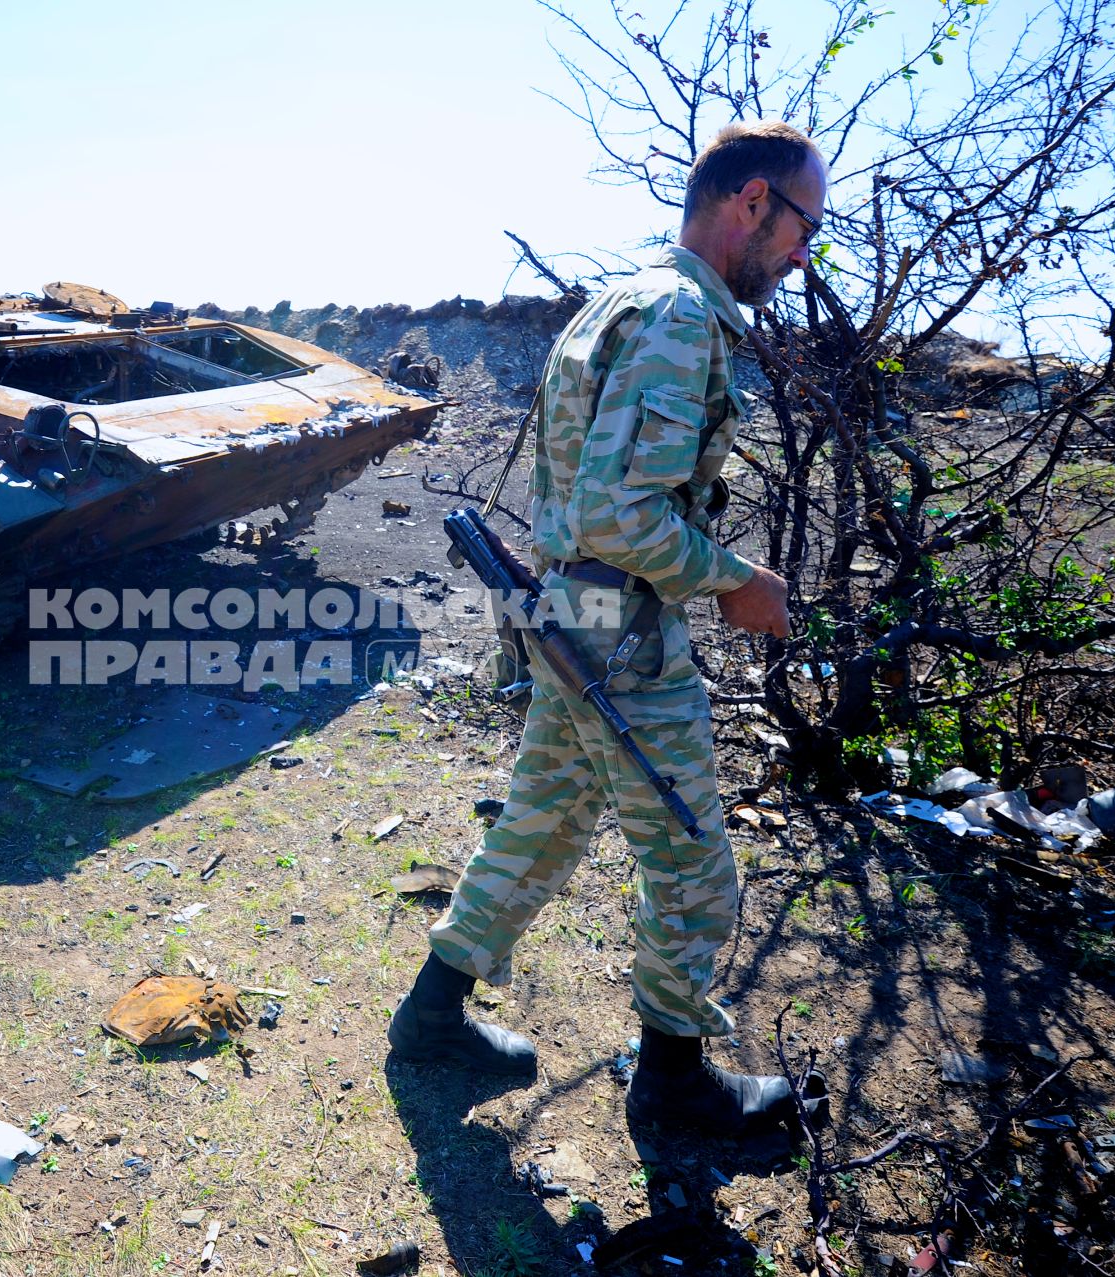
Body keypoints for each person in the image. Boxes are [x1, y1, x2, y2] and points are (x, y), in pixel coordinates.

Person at [387, 121, 828, 1136]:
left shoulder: (625, 300)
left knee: (542, 819)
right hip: (619, 630)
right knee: (690, 857)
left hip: (573, 617)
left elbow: (590, 503)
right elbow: (618, 517)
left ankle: (430, 1014)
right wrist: (735, 580)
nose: (807, 253)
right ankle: (675, 1087)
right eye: (807, 224)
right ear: (752, 202)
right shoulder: (680, 318)